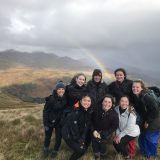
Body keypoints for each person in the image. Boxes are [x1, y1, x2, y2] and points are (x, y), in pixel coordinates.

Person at [132, 79, 160, 159]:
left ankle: (152, 156)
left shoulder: (146, 96)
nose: (135, 88)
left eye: (137, 87)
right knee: (142, 137)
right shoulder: (138, 95)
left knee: (151, 138)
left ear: (142, 88)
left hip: (154, 120)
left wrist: (148, 121)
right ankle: (145, 153)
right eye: (133, 87)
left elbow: (155, 109)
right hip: (147, 119)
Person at [62, 94, 93, 160]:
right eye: (84, 100)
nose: (86, 102)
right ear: (80, 101)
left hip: (77, 133)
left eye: (88, 101)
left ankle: (77, 156)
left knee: (83, 147)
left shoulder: (88, 111)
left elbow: (86, 126)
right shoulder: (75, 111)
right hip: (68, 134)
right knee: (80, 149)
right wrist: (80, 140)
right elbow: (73, 129)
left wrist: (83, 138)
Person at [43, 81, 67, 159]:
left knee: (58, 138)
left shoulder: (66, 99)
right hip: (50, 122)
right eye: (59, 89)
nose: (61, 90)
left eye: (62, 89)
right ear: (56, 90)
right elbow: (45, 112)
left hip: (59, 123)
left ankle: (55, 151)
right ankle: (46, 149)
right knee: (47, 136)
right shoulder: (51, 99)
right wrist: (45, 124)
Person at [91, 95, 119, 160]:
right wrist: (93, 130)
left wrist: (104, 133)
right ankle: (97, 155)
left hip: (106, 133)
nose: (107, 104)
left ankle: (103, 155)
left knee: (103, 144)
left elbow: (114, 126)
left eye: (109, 102)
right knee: (94, 143)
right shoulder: (96, 109)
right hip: (95, 131)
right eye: (105, 101)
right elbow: (90, 121)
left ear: (112, 104)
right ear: (102, 102)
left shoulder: (114, 114)